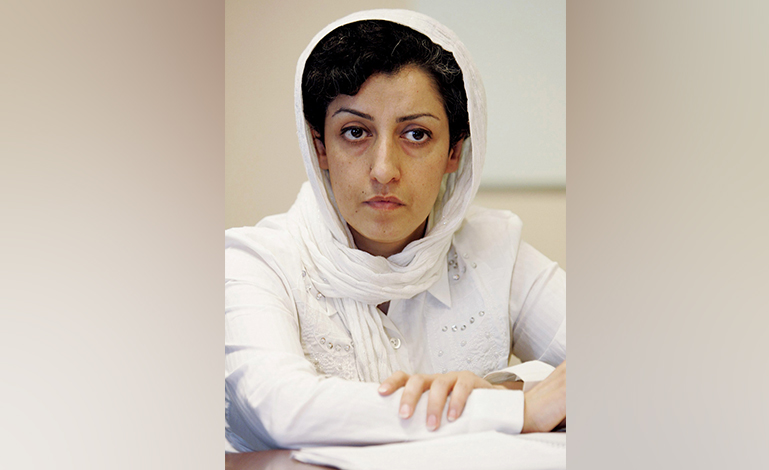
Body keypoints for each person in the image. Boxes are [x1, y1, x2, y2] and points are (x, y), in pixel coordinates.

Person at [225, 9, 566, 452]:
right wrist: (513, 409)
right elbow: (283, 408)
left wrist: (509, 386)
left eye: (416, 135)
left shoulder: (493, 248)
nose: (384, 169)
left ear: (455, 152)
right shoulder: (255, 262)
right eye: (355, 132)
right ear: (319, 146)